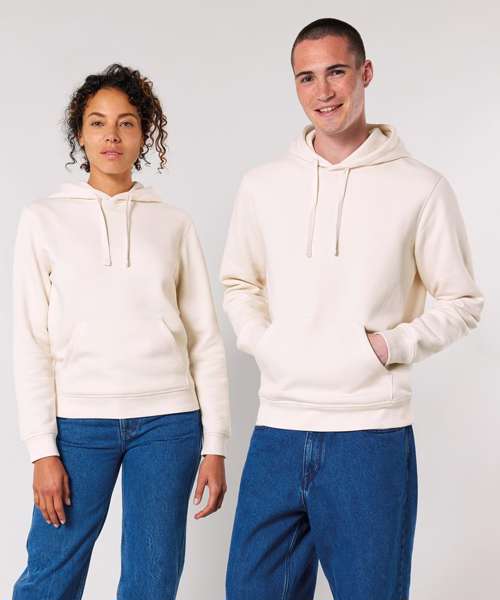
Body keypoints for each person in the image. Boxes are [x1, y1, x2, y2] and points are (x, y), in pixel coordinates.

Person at [220, 18, 483, 600]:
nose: (323, 91)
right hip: (278, 428)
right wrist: (265, 343)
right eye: (306, 77)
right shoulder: (262, 186)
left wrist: (385, 347)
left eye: (336, 72)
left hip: (369, 435)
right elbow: (239, 282)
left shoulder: (421, 187)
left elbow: (462, 301)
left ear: (365, 73)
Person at [12, 63, 230, 600]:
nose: (112, 135)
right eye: (98, 122)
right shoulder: (43, 220)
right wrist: (42, 450)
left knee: (152, 581)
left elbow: (204, 338)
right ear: (80, 133)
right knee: (49, 575)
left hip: (169, 424)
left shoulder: (173, 223)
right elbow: (31, 342)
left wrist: (217, 444)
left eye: (126, 123)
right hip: (78, 424)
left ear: (144, 133)